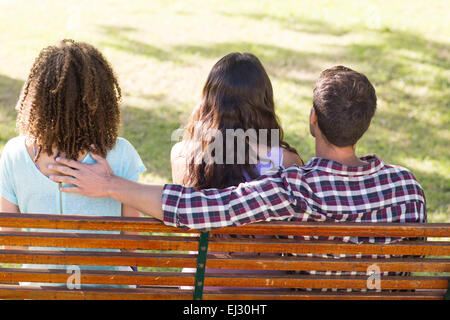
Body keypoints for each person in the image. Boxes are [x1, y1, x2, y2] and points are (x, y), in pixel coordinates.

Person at [48, 65, 426, 245]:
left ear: (314, 119)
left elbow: (201, 210)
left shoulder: (295, 187)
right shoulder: (409, 188)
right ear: (366, 121)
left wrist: (111, 184)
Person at [0, 39, 146, 286]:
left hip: (40, 289)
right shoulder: (120, 153)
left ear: (38, 99)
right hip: (109, 288)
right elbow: (130, 239)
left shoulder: (15, 152)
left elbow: (8, 234)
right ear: (103, 101)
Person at [171, 52, 303, 289]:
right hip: (266, 287)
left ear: (209, 100)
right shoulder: (287, 161)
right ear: (263, 103)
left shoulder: (182, 155)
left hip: (201, 287)